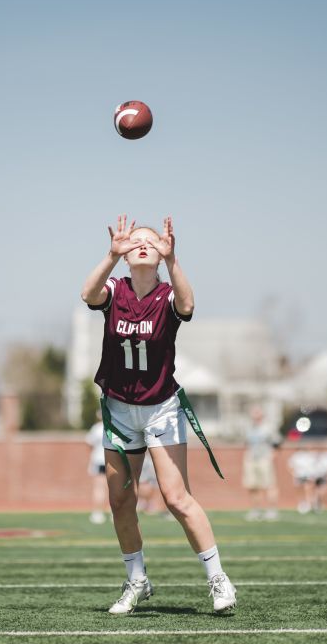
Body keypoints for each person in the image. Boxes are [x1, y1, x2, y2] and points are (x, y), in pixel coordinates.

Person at [82, 214, 236, 615]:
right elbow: (87, 294)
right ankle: (137, 580)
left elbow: (188, 305)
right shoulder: (115, 289)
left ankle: (219, 579)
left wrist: (174, 260)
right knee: (119, 499)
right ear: (127, 253)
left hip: (161, 408)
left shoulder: (167, 294)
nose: (144, 245)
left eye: (151, 241)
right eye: (136, 242)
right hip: (118, 408)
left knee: (176, 497)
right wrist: (110, 255)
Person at [242, 406, 281, 522]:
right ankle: (256, 510)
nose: (254, 416)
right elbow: (247, 444)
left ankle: (272, 511)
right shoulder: (249, 428)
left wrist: (272, 457)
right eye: (253, 413)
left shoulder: (268, 428)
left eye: (257, 413)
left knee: (269, 485)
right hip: (251, 460)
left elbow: (277, 444)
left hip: (265, 459)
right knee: (252, 486)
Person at [86, 420, 107, 524]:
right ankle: (114, 512)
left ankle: (98, 513)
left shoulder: (97, 428)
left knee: (99, 488)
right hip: (114, 460)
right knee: (115, 487)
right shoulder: (117, 424)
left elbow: (89, 444)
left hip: (99, 460)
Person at [288, 443, 318, 514]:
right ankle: (302, 504)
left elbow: (312, 467)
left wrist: (312, 476)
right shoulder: (296, 456)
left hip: (307, 475)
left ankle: (310, 504)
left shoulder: (309, 456)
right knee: (300, 490)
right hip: (299, 475)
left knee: (308, 489)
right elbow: (290, 466)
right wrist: (293, 474)